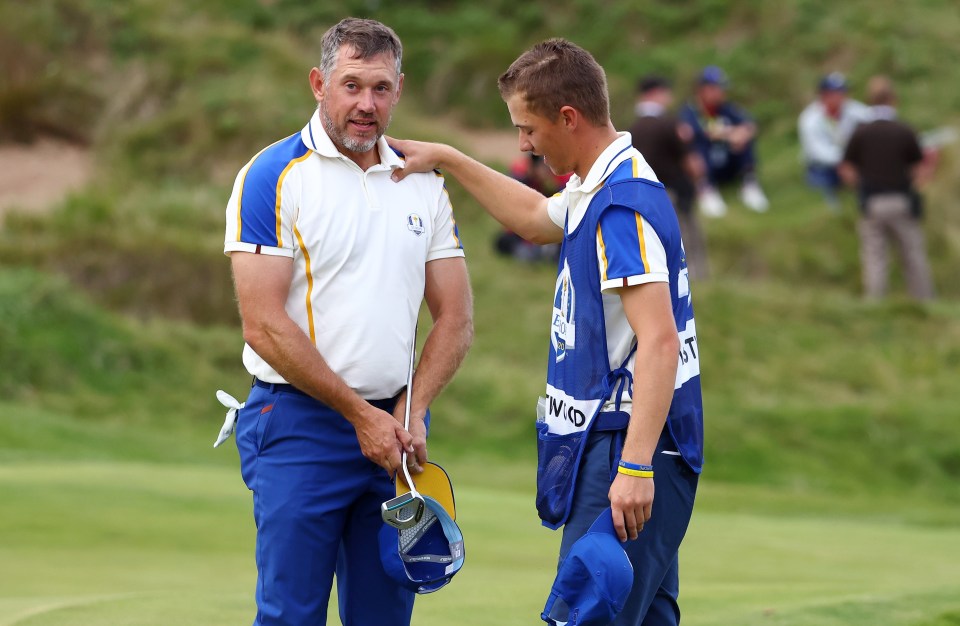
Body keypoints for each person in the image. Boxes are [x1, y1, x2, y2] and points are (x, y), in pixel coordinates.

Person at [391, 38, 703, 625]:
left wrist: (634, 468)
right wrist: (451, 159)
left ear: (568, 117)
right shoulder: (598, 185)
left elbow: (659, 342)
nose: (523, 144)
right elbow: (536, 219)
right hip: (631, 442)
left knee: (586, 616)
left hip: (625, 443)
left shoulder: (618, 208)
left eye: (527, 128)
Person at [222, 18, 473, 625]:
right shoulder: (272, 176)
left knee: (384, 616)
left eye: (381, 88)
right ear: (319, 83)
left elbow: (456, 316)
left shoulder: (424, 183)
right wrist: (360, 416)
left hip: (395, 431)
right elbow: (263, 325)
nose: (367, 104)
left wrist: (410, 412)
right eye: (352, 85)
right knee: (291, 615)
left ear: (399, 91)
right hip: (299, 425)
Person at [840, 75, 936, 301]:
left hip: (871, 201)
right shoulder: (904, 130)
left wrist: (860, 186)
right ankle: (925, 302)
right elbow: (921, 166)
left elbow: (846, 168)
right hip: (901, 199)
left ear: (870, 100)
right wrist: (915, 185)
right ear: (893, 99)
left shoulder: (861, 132)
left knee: (874, 258)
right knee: (913, 255)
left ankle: (874, 304)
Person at [630, 74, 709, 280]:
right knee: (687, 239)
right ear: (656, 93)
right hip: (676, 193)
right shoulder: (669, 123)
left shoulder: (631, 129)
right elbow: (692, 163)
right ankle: (696, 278)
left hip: (645, 196)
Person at [679, 65, 769, 215]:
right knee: (697, 146)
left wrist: (742, 133)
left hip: (728, 161)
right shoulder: (690, 110)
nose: (721, 92)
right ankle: (705, 189)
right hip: (706, 165)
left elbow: (750, 124)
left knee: (744, 139)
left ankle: (749, 184)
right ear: (703, 90)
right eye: (716, 88)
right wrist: (730, 133)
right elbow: (697, 132)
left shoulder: (726, 108)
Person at [798, 72, 872, 209]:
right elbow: (817, 152)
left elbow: (873, 122)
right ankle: (831, 207)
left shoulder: (854, 109)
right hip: (822, 166)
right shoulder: (810, 118)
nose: (841, 97)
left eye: (843, 92)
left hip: (852, 161)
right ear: (823, 95)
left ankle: (865, 200)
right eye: (835, 93)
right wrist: (845, 161)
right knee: (823, 187)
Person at [494, 152, 566, 262]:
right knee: (502, 242)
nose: (545, 172)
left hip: (551, 226)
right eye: (542, 168)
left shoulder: (560, 176)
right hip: (523, 227)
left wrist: (552, 185)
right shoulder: (519, 174)